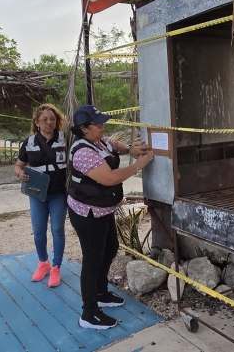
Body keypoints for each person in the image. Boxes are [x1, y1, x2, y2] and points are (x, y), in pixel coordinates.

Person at [67, 105, 153, 330]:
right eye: (97, 123)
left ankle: (101, 292)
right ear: (84, 129)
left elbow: (114, 145)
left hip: (102, 210)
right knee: (92, 259)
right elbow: (110, 178)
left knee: (111, 248)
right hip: (86, 213)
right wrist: (138, 165)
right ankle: (89, 312)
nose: (102, 126)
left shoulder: (100, 141)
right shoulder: (83, 151)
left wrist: (129, 150)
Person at [14, 103, 69, 288]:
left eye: (52, 119)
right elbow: (18, 165)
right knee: (38, 232)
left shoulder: (65, 139)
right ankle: (43, 263)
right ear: (37, 122)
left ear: (57, 121)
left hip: (58, 194)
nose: (48, 123)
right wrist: (20, 173)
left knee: (57, 230)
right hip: (37, 194)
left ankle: (56, 267)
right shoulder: (29, 143)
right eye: (44, 119)